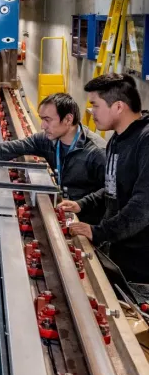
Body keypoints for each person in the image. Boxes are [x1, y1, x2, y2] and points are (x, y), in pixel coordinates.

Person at [0, 93, 106, 223]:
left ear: (68, 119)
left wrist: (81, 204)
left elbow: (114, 192)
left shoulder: (97, 153)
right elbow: (10, 148)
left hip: (93, 225)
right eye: (41, 119)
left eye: (48, 120)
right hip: (69, 214)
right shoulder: (48, 140)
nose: (43, 126)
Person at [59, 73, 149, 284]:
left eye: (95, 105)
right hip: (119, 253)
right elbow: (114, 187)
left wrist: (99, 232)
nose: (91, 111)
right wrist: (81, 205)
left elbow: (143, 206)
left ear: (118, 107)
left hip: (142, 267)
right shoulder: (117, 140)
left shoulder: (145, 141)